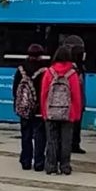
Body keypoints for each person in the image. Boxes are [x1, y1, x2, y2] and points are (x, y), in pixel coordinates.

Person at [40, 45, 82, 175]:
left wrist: (44, 111)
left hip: (51, 112)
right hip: (68, 113)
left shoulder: (49, 72)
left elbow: (44, 93)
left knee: (52, 139)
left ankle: (51, 166)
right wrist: (77, 113)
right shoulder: (72, 73)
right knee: (66, 140)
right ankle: (65, 166)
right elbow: (76, 95)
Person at [12, 44, 47, 171]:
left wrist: (20, 103)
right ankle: (39, 163)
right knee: (40, 136)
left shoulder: (20, 69)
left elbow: (15, 89)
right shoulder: (44, 70)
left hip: (24, 109)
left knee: (26, 135)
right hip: (38, 109)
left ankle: (26, 161)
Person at [62, 34, 87, 154]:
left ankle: (75, 143)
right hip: (74, 100)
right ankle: (73, 144)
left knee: (75, 124)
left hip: (76, 100)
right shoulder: (74, 68)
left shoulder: (77, 66)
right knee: (73, 124)